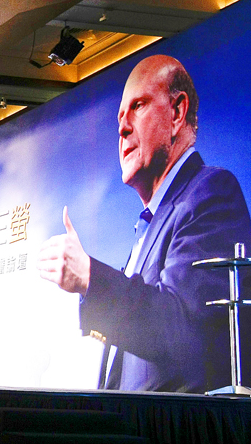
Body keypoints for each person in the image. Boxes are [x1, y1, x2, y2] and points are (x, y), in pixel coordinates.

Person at [38, 54, 251, 394]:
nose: (122, 128)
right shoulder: (149, 226)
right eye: (120, 117)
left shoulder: (211, 192)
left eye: (137, 107)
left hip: (175, 428)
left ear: (177, 112)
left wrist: (91, 278)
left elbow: (184, 331)